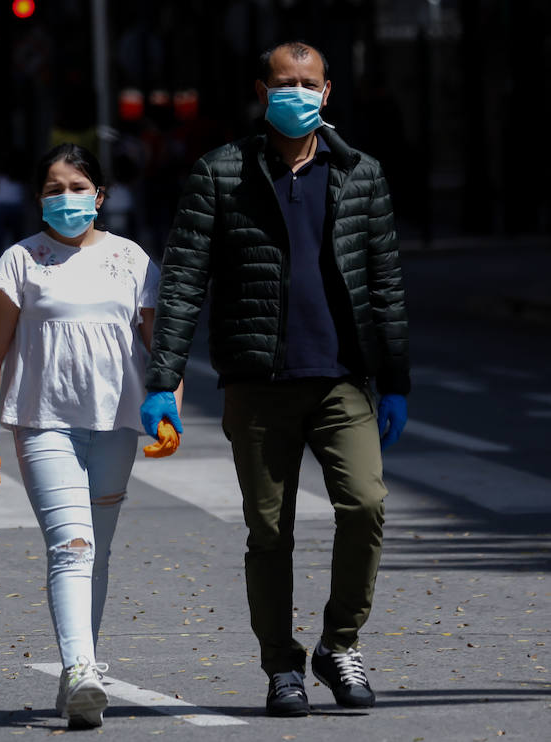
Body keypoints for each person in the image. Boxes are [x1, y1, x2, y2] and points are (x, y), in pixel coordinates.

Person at [140, 41, 410, 717]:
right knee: (270, 534)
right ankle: (281, 667)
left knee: (367, 506)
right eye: (284, 83)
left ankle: (338, 643)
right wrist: (161, 380)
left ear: (328, 92)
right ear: (263, 91)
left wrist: (397, 379)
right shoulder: (221, 173)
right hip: (256, 383)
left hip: (342, 381)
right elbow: (182, 286)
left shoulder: (361, 175)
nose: (297, 93)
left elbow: (385, 285)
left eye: (308, 83)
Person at [0, 143, 176, 729]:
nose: (67, 198)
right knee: (72, 546)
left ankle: (77, 674)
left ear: (100, 196)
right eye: (54, 189)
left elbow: (161, 346)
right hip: (43, 422)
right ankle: (82, 670)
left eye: (78, 187)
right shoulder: (20, 261)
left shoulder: (131, 258)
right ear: (38, 199)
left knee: (98, 552)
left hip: (115, 424)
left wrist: (169, 407)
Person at [0, 153, 27, 265]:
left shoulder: (0, 177)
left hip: (2, 208)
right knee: (17, 239)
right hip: (16, 207)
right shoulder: (20, 178)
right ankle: (18, 262)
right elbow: (24, 195)